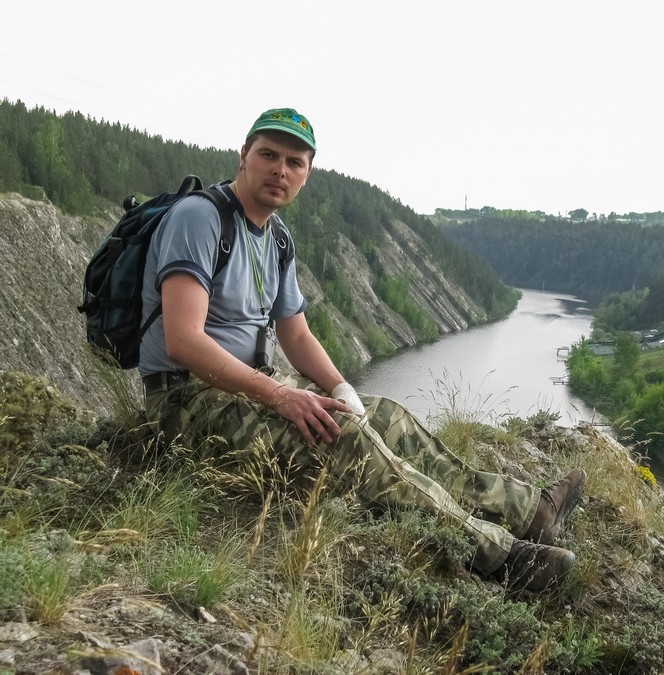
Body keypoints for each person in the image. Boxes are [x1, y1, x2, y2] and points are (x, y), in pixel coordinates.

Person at [138, 107, 586, 592]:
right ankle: (503, 558)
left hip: (246, 390)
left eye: (295, 162)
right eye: (268, 155)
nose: (279, 170)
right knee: (344, 438)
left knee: (385, 416)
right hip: (185, 401)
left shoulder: (276, 238)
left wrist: (340, 386)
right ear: (243, 155)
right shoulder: (200, 219)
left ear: (307, 174)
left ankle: (532, 512)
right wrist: (280, 395)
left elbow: (297, 335)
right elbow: (183, 341)